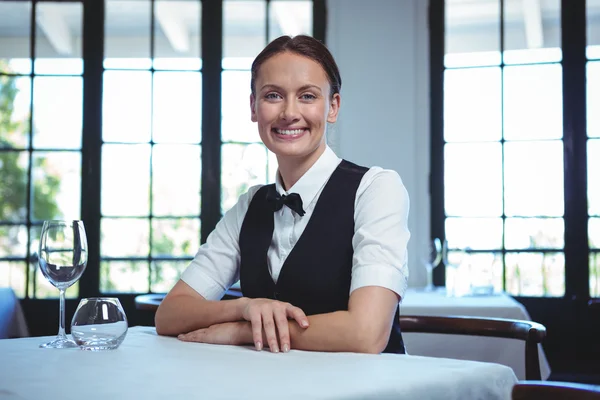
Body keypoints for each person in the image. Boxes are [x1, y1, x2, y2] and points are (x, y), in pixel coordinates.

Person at [155, 35, 410, 355]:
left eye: (307, 96)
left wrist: (241, 332)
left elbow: (366, 335)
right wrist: (244, 307)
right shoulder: (249, 205)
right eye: (273, 95)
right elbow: (170, 314)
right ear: (254, 107)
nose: (289, 113)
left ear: (333, 107)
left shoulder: (376, 189)